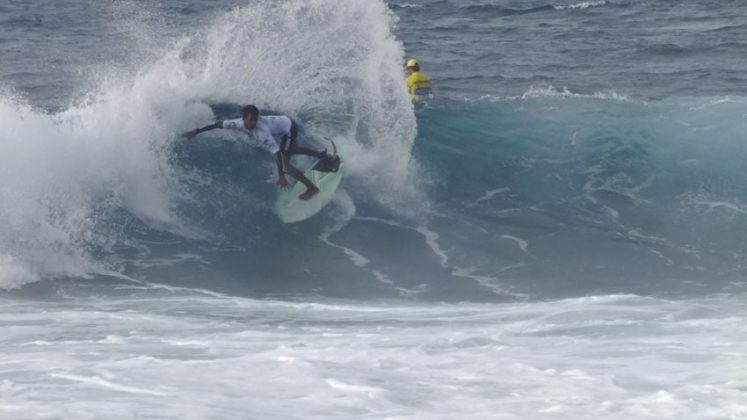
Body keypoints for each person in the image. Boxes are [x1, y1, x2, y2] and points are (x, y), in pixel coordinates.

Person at [182, 105, 334, 200]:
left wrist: (281, 175)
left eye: (255, 120)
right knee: (294, 149)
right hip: (285, 122)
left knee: (287, 165)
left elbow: (277, 153)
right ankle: (324, 156)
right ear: (244, 119)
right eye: (250, 120)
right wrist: (197, 131)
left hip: (289, 128)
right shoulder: (237, 123)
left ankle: (312, 188)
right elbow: (217, 124)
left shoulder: (263, 131)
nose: (252, 123)